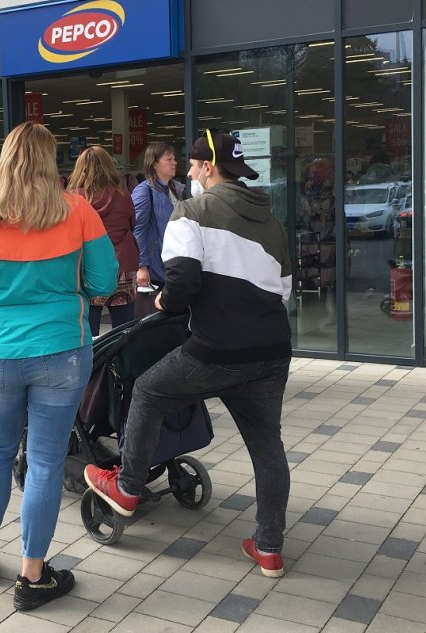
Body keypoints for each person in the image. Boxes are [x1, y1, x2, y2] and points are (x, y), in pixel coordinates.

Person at [84, 130, 293, 578]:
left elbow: (181, 284)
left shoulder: (190, 212)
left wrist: (164, 301)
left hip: (216, 348)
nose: (189, 173)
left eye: (194, 165)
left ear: (208, 168)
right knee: (268, 447)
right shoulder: (272, 221)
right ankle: (269, 548)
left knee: (148, 391)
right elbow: (284, 290)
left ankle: (126, 488)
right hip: (272, 349)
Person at [0, 123, 117, 611]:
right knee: (43, 460)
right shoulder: (77, 210)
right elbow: (104, 280)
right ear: (49, 159)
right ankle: (33, 576)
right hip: (63, 350)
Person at [67, 146, 139, 336]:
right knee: (125, 330)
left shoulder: (75, 198)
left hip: (88, 268)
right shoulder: (123, 194)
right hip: (122, 265)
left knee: (88, 330)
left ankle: (93, 356)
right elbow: (132, 224)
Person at [131, 143, 185, 291]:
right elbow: (138, 230)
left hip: (175, 261)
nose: (174, 163)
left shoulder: (176, 190)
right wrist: (141, 266)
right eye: (169, 159)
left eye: (174, 159)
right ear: (154, 163)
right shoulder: (144, 191)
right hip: (156, 267)